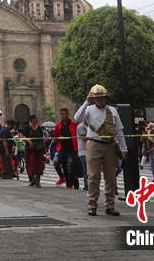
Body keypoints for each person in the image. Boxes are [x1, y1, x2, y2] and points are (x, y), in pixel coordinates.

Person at [74, 84, 128, 217]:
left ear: (105, 98)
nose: (100, 100)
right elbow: (77, 118)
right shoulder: (89, 109)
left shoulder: (112, 111)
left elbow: (119, 130)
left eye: (102, 97)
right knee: (93, 176)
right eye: (96, 98)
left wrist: (123, 148)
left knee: (110, 177)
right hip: (94, 144)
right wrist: (87, 101)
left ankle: (110, 205)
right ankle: (92, 205)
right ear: (93, 98)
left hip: (110, 145)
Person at [53, 108, 79, 189]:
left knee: (70, 167)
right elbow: (55, 137)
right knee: (56, 162)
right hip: (62, 149)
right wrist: (59, 138)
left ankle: (72, 184)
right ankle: (62, 177)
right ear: (60, 115)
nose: (64, 116)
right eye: (62, 114)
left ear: (68, 115)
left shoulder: (74, 125)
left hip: (72, 149)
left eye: (65, 114)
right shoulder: (58, 126)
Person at [22, 114, 46, 187]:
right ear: (31, 120)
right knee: (30, 164)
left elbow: (42, 138)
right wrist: (29, 141)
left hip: (38, 149)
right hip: (30, 149)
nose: (37, 120)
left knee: (39, 165)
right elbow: (22, 137)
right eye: (35, 119)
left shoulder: (39, 128)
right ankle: (33, 180)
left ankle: (38, 181)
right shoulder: (27, 128)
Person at [77, 121, 88, 191]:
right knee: (86, 170)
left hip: (89, 151)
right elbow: (84, 139)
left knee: (88, 170)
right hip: (83, 151)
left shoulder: (89, 126)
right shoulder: (81, 126)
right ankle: (86, 186)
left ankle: (87, 186)